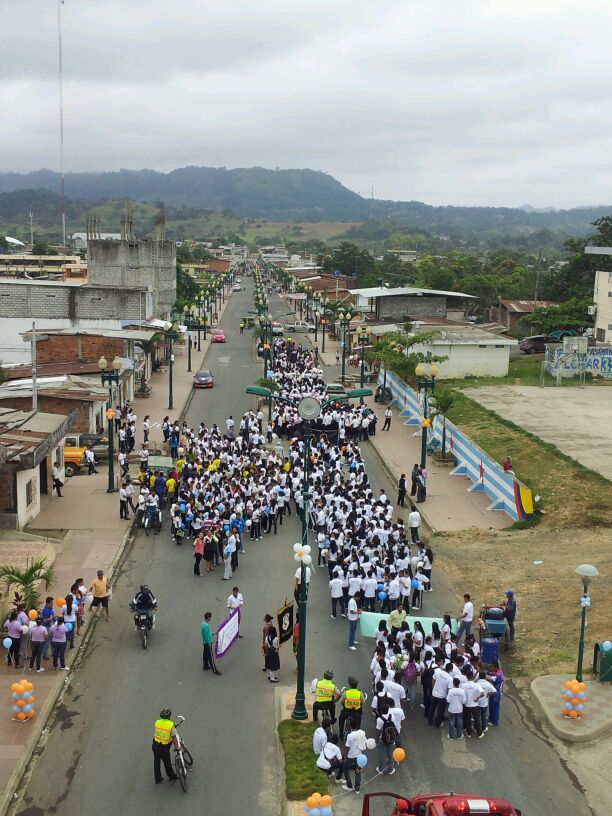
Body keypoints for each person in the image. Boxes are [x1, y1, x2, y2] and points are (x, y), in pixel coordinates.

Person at [152, 707, 179, 784]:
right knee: (167, 762)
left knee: (156, 761)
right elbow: (174, 737)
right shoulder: (170, 725)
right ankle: (172, 776)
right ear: (169, 716)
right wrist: (177, 747)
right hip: (164, 748)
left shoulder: (157, 722)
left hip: (155, 744)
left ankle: (157, 778)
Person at [342, 717, 367, 793]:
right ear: (357, 725)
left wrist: (344, 756)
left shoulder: (350, 736)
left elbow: (347, 747)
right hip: (359, 756)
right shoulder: (362, 732)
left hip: (350, 757)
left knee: (346, 769)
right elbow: (365, 742)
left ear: (350, 726)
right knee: (358, 772)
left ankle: (349, 786)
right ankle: (357, 789)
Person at [376, 703, 399, 775]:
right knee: (390, 753)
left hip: (382, 739)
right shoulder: (392, 717)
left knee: (382, 754)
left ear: (381, 711)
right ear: (388, 710)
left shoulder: (379, 719)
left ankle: (381, 769)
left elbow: (378, 730)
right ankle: (391, 768)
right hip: (391, 738)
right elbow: (394, 726)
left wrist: (377, 739)